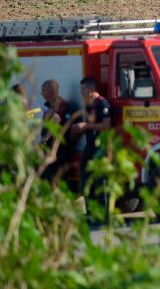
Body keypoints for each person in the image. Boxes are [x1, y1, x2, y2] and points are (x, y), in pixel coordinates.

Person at [72, 77, 111, 213]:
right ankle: (90, 212)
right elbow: (90, 126)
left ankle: (102, 213)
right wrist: (81, 129)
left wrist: (86, 125)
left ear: (91, 89)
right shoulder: (89, 105)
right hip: (89, 147)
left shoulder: (102, 104)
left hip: (100, 148)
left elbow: (106, 126)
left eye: (83, 89)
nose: (81, 92)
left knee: (100, 181)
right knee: (86, 179)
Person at [40, 79, 77, 184]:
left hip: (62, 154)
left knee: (58, 182)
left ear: (51, 92)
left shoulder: (68, 108)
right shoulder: (44, 108)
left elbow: (73, 131)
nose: (41, 94)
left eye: (43, 91)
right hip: (46, 153)